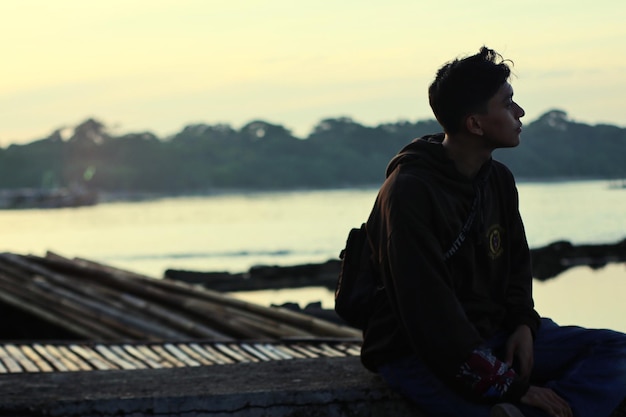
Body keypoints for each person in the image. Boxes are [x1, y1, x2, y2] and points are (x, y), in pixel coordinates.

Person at [359, 46, 626, 417]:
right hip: (419, 352)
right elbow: (430, 317)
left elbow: (517, 262)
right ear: (475, 123)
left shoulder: (498, 178)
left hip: (495, 334)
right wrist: (514, 387)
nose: (520, 113)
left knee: (618, 351)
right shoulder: (409, 192)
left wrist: (523, 323)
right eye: (508, 104)